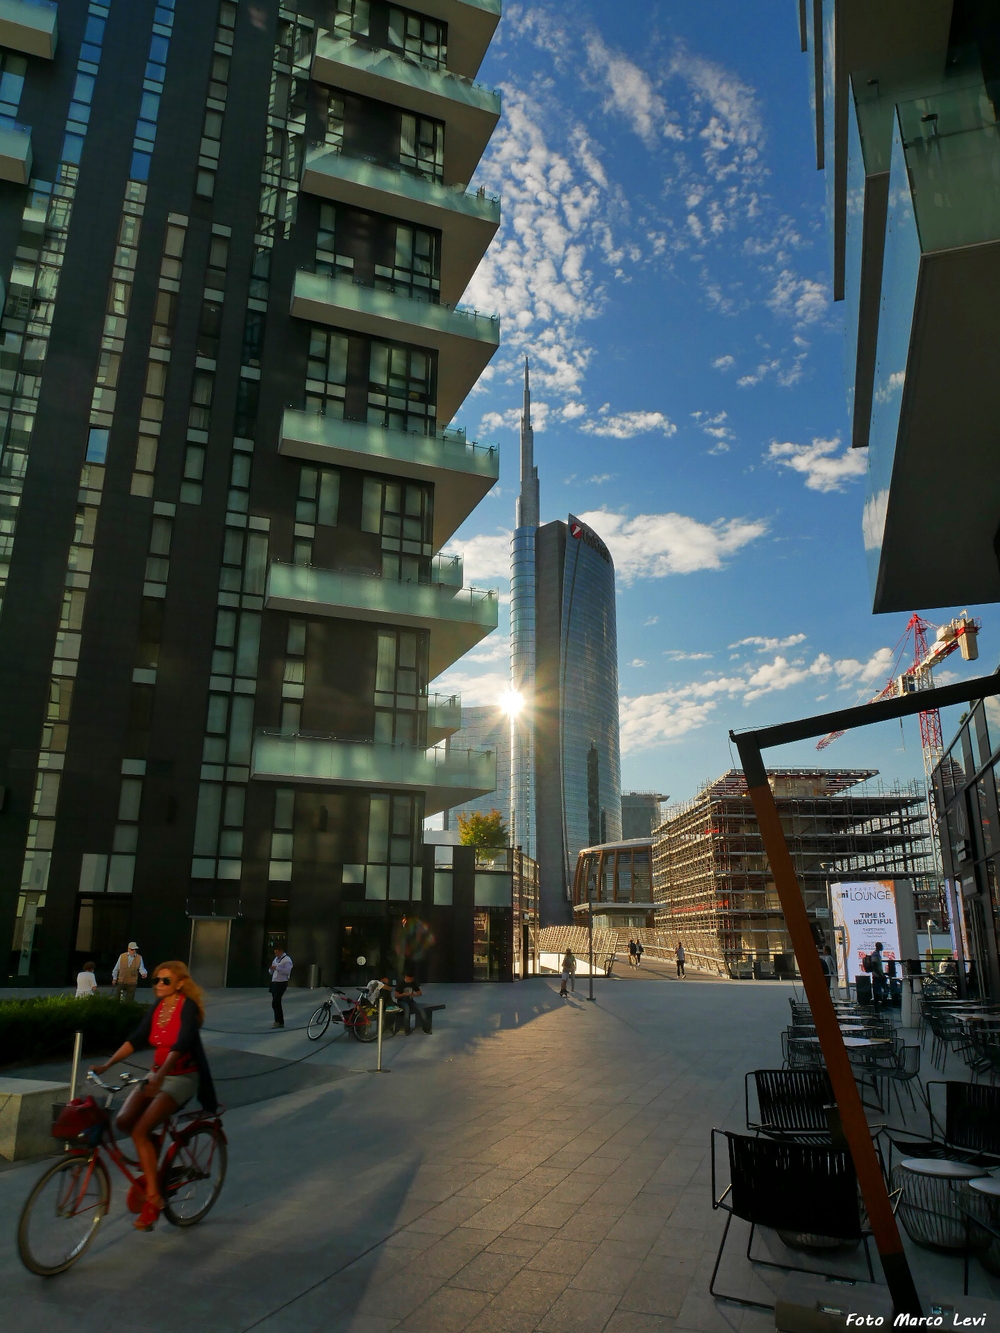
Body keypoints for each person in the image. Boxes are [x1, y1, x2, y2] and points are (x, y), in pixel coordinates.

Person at [90, 960, 217, 1232]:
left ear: (180, 983)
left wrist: (160, 1076)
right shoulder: (158, 1007)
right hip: (157, 1074)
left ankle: (154, 1199)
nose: (159, 985)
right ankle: (152, 1169)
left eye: (165, 981)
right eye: (156, 980)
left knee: (140, 1131)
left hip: (181, 1076)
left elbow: (181, 1044)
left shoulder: (188, 1007)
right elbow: (136, 1039)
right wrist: (108, 1065)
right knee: (124, 1121)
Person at [268, 944, 293, 1028]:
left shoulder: (287, 960)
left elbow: (287, 971)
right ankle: (280, 1021)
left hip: (282, 982)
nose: (276, 955)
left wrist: (277, 968)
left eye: (277, 953)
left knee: (276, 1002)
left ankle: (277, 1021)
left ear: (281, 951)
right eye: (275, 953)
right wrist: (271, 969)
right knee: (276, 1002)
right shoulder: (275, 959)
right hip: (274, 982)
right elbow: (271, 971)